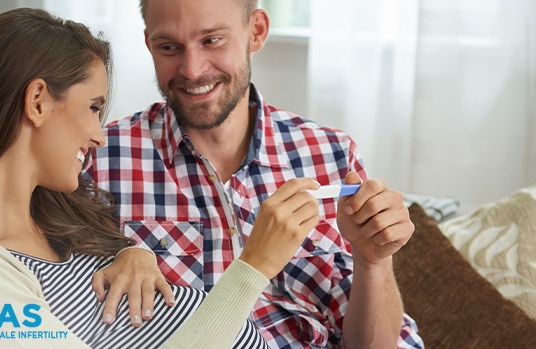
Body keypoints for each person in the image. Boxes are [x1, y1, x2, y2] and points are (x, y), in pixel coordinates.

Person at [0, 7, 324, 349]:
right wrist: (253, 266)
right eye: (94, 107)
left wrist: (134, 254)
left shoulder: (50, 207)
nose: (99, 133)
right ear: (38, 101)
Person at [89, 0, 424, 348]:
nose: (191, 69)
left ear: (257, 32)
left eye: (212, 40)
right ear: (149, 45)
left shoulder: (331, 153)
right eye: (169, 47)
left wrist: (374, 263)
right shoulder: (100, 159)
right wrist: (128, 253)